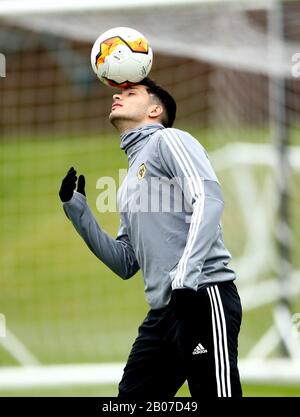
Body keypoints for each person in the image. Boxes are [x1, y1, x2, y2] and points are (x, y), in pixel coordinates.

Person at [59, 77, 242, 398]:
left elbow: (209, 199)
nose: (118, 96)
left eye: (131, 93)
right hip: (162, 314)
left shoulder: (169, 140)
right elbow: (126, 262)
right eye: (119, 92)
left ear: (155, 109)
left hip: (202, 295)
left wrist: (186, 275)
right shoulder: (130, 179)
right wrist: (79, 213)